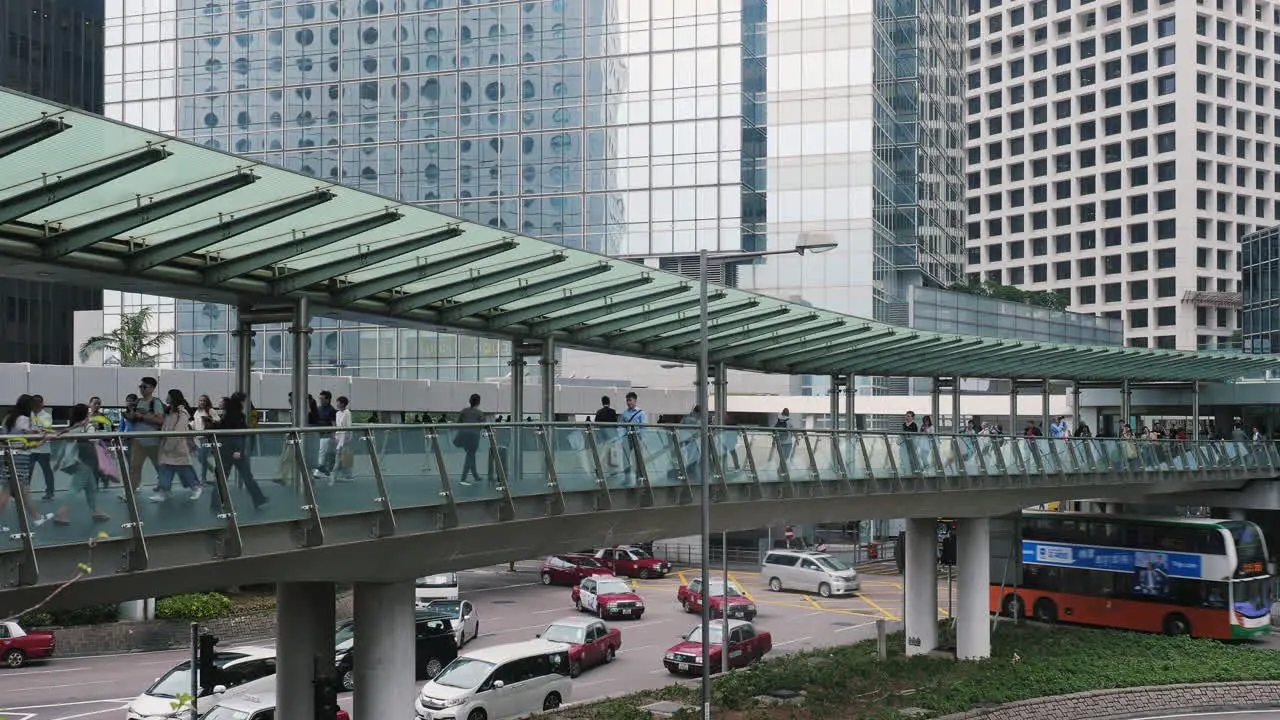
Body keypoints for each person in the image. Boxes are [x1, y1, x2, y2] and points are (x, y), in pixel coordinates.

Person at [0, 394, 53, 530]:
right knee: (11, 491)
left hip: (8, 455)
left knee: (21, 491)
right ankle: (37, 518)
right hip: (20, 457)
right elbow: (29, 436)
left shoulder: (8, 418)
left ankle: (37, 518)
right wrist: (41, 437)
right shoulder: (23, 419)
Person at [51, 403, 109, 526]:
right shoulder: (86, 427)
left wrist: (58, 461)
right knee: (75, 487)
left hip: (77, 460)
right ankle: (62, 513)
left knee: (91, 487)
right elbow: (94, 439)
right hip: (85, 461)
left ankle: (96, 511)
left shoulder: (72, 427)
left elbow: (64, 445)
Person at [211, 395, 268, 511]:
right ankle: (259, 498)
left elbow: (235, 433)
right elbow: (238, 432)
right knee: (245, 476)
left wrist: (236, 449)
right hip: (232, 451)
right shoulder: (234, 415)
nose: (219, 404)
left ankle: (216, 503)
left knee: (223, 477)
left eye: (221, 402)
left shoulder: (231, 416)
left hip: (229, 451)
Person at [148, 388, 201, 503]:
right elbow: (165, 428)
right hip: (167, 446)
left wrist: (169, 446)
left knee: (184, 470)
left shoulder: (182, 413)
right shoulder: (169, 412)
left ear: (173, 397)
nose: (166, 397)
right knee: (165, 469)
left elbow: (179, 431)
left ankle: (195, 488)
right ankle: (164, 492)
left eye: (168, 395)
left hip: (177, 448)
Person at [127, 377, 167, 494]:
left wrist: (142, 417)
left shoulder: (156, 402)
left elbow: (160, 420)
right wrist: (131, 416)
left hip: (153, 441)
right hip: (138, 441)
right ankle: (131, 492)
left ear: (152, 388)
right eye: (140, 387)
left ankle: (165, 489)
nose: (142, 389)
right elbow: (133, 418)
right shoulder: (138, 402)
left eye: (145, 387)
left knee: (158, 467)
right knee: (135, 467)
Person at [456, 393, 485, 486]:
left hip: (463, 436)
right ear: (478, 402)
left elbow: (459, 423)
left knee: (471, 455)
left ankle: (475, 475)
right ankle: (463, 478)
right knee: (470, 455)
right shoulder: (479, 413)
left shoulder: (464, 411)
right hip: (474, 436)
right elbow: (483, 424)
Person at [31, 395, 55, 501]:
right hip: (30, 449)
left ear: (42, 403)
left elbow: (45, 431)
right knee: (27, 471)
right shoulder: (28, 415)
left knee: (47, 471)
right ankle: (21, 492)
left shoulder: (47, 416)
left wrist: (35, 431)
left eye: (38, 402)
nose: (36, 404)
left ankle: (50, 491)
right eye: (34, 402)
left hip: (43, 449)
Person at [191, 394, 218, 486]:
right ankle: (214, 472)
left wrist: (209, 418)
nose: (201, 402)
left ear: (207, 402)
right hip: (197, 437)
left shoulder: (210, 410)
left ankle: (203, 479)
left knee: (202, 458)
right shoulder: (197, 412)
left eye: (204, 400)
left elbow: (217, 420)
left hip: (206, 437)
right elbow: (195, 423)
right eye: (200, 400)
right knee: (200, 458)